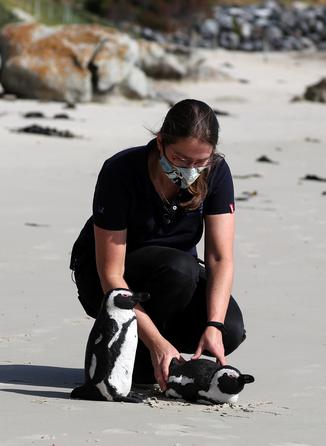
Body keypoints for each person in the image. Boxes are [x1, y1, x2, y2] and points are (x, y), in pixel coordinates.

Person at [69, 99, 246, 391]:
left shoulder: (216, 172)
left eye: (200, 162)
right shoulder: (121, 171)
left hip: (175, 280)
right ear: (160, 142)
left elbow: (219, 258)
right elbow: (110, 273)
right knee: (179, 269)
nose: (190, 170)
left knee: (232, 329)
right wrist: (158, 342)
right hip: (106, 281)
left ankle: (152, 358)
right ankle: (137, 350)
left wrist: (214, 326)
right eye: (180, 159)